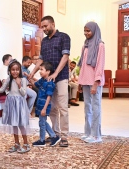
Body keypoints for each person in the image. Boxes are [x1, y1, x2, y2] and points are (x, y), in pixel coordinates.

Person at [29, 15, 70, 147]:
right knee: (52, 109)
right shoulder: (45, 41)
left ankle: (64, 136)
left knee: (63, 108)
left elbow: (65, 57)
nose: (44, 29)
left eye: (46, 26)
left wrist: (56, 73)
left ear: (53, 24)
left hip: (61, 77)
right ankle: (56, 134)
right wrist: (33, 72)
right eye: (42, 27)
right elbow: (41, 59)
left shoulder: (64, 37)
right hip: (47, 80)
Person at [78, 21, 105, 143]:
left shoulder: (100, 45)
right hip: (85, 80)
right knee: (87, 107)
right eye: (85, 31)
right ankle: (88, 132)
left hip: (95, 81)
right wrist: (80, 81)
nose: (86, 33)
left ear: (94, 30)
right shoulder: (85, 45)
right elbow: (83, 65)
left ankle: (96, 135)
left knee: (95, 107)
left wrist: (96, 82)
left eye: (88, 31)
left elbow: (100, 65)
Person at [0, 59, 31, 153]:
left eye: (17, 69)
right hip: (11, 104)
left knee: (21, 125)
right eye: (13, 70)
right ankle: (16, 143)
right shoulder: (8, 80)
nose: (15, 71)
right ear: (9, 71)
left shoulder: (23, 80)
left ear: (20, 70)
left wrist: (19, 85)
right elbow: (2, 89)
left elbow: (24, 94)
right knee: (14, 124)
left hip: (19, 104)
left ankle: (26, 144)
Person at [28, 62, 61, 147]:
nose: (40, 71)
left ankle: (43, 140)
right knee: (42, 122)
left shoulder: (50, 83)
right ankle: (53, 136)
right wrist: (29, 78)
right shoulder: (42, 80)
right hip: (39, 104)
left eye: (41, 69)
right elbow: (35, 85)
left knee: (42, 123)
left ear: (48, 71)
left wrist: (44, 109)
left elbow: (49, 97)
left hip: (44, 106)